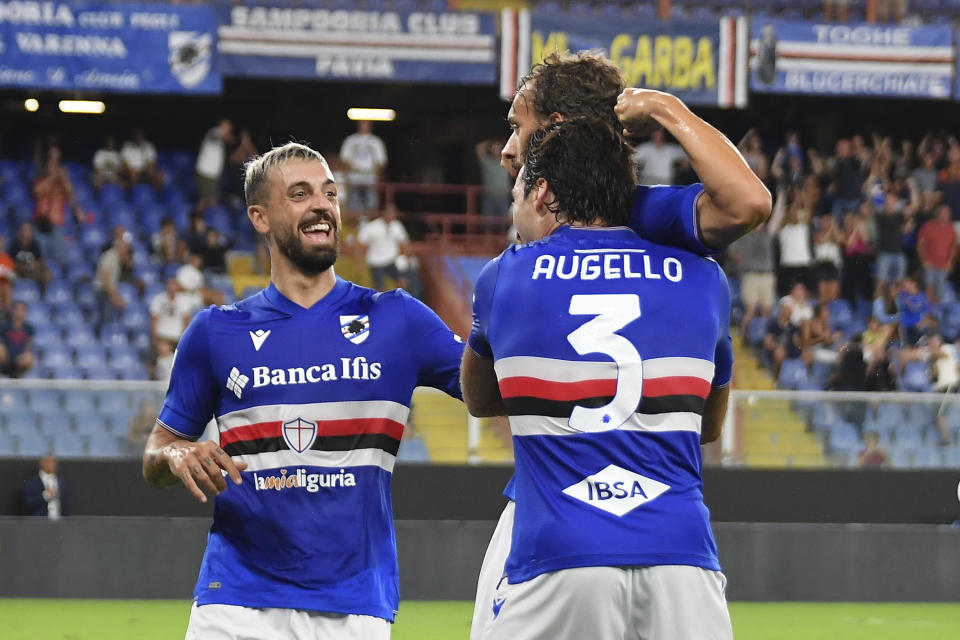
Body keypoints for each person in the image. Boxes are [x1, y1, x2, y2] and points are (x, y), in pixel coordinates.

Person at [473, 50, 770, 639]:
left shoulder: (516, 269)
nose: (507, 148)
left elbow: (751, 202)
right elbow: (707, 424)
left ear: (555, 129)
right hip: (673, 535)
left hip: (556, 528)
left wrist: (662, 106)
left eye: (517, 125)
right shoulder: (691, 262)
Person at [142, 142, 464, 639]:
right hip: (235, 603)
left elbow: (503, 391)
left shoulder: (398, 319)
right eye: (300, 193)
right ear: (260, 216)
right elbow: (157, 453)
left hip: (353, 605)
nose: (322, 204)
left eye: (329, 193)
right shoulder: (214, 332)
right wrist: (178, 455)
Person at [356, 203, 410, 291]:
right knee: (381, 289)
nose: (391, 215)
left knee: (403, 282)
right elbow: (360, 242)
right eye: (389, 213)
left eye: (393, 213)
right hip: (376, 263)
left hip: (391, 261)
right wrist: (359, 262)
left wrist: (407, 257)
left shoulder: (397, 226)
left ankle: (397, 303)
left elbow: (404, 242)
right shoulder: (373, 227)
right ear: (384, 213)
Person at [340, 120, 387, 212]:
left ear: (370, 126)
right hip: (354, 180)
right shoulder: (351, 140)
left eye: (366, 124)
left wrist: (372, 172)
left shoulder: (376, 141)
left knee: (371, 208)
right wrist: (353, 171)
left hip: (370, 180)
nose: (364, 126)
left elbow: (382, 162)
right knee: (352, 209)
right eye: (362, 123)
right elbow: (344, 160)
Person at [195, 119, 234, 210]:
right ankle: (195, 221)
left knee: (213, 201)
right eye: (227, 127)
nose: (228, 130)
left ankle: (209, 220)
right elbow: (215, 138)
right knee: (204, 201)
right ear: (221, 125)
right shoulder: (213, 132)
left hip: (213, 176)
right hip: (205, 174)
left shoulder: (221, 138)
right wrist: (226, 138)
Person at [475, 138, 512, 216]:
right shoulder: (487, 161)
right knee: (488, 222)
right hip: (489, 196)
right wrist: (489, 141)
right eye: (494, 147)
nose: (496, 149)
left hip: (503, 195)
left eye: (498, 147)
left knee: (504, 222)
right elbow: (478, 148)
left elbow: (515, 150)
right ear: (490, 148)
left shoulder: (506, 160)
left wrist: (504, 145)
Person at [0, 300, 35, 378]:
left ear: (26, 312)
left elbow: (29, 345)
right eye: (16, 309)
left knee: (29, 358)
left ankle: (16, 375)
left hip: (19, 360)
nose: (19, 312)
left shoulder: (29, 328)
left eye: (22, 310)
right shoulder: (4, 325)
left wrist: (26, 355)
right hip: (5, 358)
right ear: (12, 310)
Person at [24, 454, 65, 519]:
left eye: (53, 462)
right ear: (42, 463)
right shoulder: (33, 482)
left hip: (58, 521)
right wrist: (46, 495)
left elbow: (64, 503)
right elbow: (29, 502)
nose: (51, 464)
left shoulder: (60, 481)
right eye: (48, 461)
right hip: (40, 521)